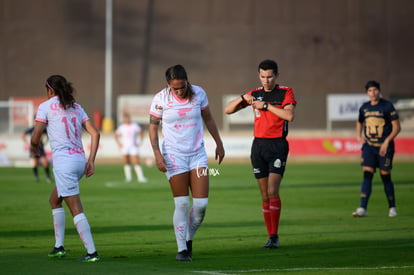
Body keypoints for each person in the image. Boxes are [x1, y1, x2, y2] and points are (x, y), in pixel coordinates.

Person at [149, 64, 225, 261]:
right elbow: (152, 128)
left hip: (198, 155)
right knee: (182, 203)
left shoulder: (199, 93)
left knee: (201, 205)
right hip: (174, 156)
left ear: (187, 82)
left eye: (182, 86)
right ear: (168, 85)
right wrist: (157, 153)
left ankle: (188, 238)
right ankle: (182, 248)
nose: (180, 91)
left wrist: (219, 143)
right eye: (175, 88)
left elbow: (208, 118)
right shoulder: (160, 99)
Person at [224, 59, 296, 249]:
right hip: (258, 147)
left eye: (270, 76)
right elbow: (228, 110)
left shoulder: (285, 92)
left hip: (278, 145)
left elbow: (289, 115)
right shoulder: (255, 94)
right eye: (263, 77)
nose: (267, 80)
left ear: (277, 76)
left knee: (273, 190)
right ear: (259, 76)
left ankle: (274, 236)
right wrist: (242, 98)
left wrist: (266, 106)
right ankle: (270, 236)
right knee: (264, 195)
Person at [31, 75, 100, 262]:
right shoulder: (76, 107)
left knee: (75, 208)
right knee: (54, 200)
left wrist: (34, 147)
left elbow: (36, 136)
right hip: (79, 161)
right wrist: (91, 160)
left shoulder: (45, 107)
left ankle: (92, 252)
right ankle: (58, 246)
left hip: (64, 164)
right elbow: (95, 133)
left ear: (49, 89)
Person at [352, 80, 401, 218]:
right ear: (366, 93)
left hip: (385, 147)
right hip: (369, 146)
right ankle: (363, 208)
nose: (372, 93)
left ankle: (392, 207)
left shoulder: (387, 106)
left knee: (385, 175)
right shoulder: (364, 107)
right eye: (369, 91)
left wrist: (387, 141)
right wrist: (358, 135)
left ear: (379, 91)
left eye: (375, 90)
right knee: (367, 174)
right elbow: (359, 121)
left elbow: (397, 127)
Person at [115, 113, 147, 183]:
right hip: (125, 146)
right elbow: (116, 135)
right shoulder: (122, 127)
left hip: (133, 146)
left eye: (128, 118)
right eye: (126, 119)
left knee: (136, 161)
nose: (127, 120)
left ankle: (140, 177)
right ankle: (128, 178)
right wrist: (119, 143)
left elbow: (141, 133)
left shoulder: (134, 126)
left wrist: (140, 141)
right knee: (127, 162)